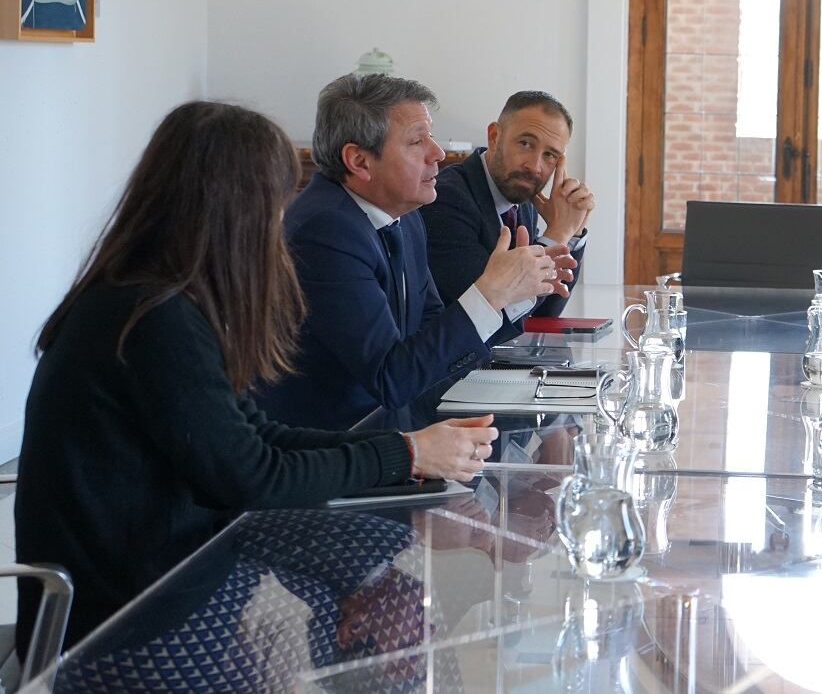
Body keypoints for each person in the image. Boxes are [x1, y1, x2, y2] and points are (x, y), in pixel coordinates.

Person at [15, 101, 498, 649]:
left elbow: (254, 435)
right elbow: (253, 477)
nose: (283, 218)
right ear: (232, 208)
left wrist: (405, 448)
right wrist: (406, 454)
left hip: (170, 580)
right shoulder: (152, 318)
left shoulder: (160, 297)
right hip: (127, 621)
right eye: (277, 199)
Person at [256, 75, 576, 431]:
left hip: (394, 425)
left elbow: (432, 337)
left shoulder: (405, 217)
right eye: (416, 141)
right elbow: (390, 378)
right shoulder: (325, 230)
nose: (437, 153)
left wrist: (506, 292)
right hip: (328, 447)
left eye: (431, 136)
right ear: (360, 162)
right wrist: (490, 294)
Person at [421, 90, 594, 315]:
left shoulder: (520, 196)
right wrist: (557, 235)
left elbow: (544, 315)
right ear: (494, 136)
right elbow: (490, 316)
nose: (535, 166)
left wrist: (573, 232)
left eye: (550, 155)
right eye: (525, 143)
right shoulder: (446, 199)